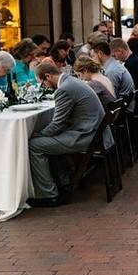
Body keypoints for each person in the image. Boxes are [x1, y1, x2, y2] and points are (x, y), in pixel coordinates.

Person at [26, 62, 107, 207]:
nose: (44, 87)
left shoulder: (64, 89)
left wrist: (39, 134)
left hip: (86, 136)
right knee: (47, 141)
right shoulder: (71, 81)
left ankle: (48, 195)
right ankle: (63, 181)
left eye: (42, 83)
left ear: (48, 76)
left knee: (33, 145)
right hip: (95, 132)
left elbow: (57, 125)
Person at [92, 41, 134, 106]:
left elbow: (111, 97)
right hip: (124, 106)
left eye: (93, 56)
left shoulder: (111, 71)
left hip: (123, 110)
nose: (92, 59)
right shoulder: (113, 65)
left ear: (100, 53)